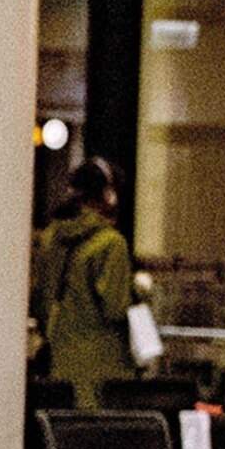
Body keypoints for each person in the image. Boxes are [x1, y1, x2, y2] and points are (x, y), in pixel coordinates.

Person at [30, 157, 135, 404]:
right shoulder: (110, 244)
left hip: (59, 363)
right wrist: (139, 292)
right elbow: (116, 307)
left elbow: (39, 299)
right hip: (104, 369)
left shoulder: (50, 238)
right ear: (109, 195)